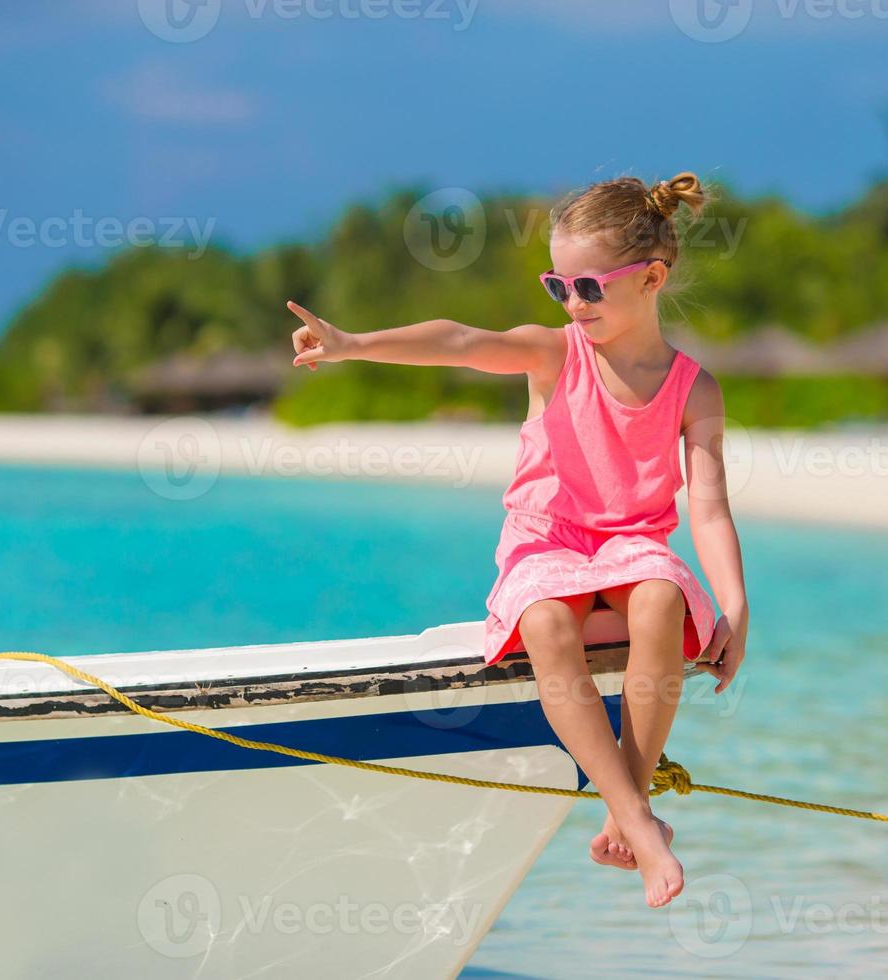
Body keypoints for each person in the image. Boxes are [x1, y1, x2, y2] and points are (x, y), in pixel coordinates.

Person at [285, 171, 749, 909]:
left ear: (652, 277)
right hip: (550, 542)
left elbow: (712, 509)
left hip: (630, 543)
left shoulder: (695, 388)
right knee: (543, 620)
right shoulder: (556, 354)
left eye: (589, 288)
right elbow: (462, 340)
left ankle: (624, 804)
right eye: (557, 287)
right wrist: (352, 344)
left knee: (662, 597)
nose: (572, 304)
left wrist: (735, 607)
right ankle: (636, 814)